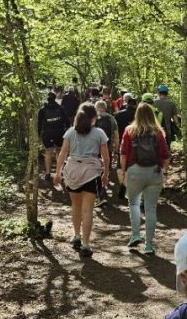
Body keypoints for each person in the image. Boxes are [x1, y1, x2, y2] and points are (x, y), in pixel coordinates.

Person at [54, 103, 110, 257]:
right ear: (94, 118)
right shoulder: (99, 133)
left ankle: (76, 236)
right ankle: (86, 244)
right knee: (88, 210)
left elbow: (63, 154)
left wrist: (57, 173)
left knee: (76, 206)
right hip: (91, 173)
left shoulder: (70, 132)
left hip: (72, 172)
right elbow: (105, 156)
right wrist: (106, 173)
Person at [120, 102, 169, 255]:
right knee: (150, 209)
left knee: (134, 204)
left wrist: (123, 171)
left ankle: (135, 234)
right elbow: (165, 155)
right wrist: (164, 172)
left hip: (135, 171)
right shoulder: (158, 132)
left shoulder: (129, 131)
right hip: (154, 172)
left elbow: (123, 154)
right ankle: (149, 245)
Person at [37, 91, 70, 181]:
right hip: (59, 134)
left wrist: (39, 134)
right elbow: (67, 122)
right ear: (55, 98)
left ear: (47, 99)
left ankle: (48, 173)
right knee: (59, 152)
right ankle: (59, 172)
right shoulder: (60, 108)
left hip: (47, 134)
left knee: (48, 152)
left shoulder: (42, 110)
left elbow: (39, 124)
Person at [95, 99, 120, 203]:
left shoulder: (92, 118)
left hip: (94, 148)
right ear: (105, 108)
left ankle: (99, 191)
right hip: (107, 146)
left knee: (96, 168)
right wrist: (116, 150)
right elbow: (116, 136)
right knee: (106, 167)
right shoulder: (111, 118)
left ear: (96, 108)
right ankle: (104, 184)